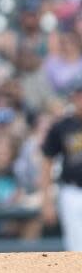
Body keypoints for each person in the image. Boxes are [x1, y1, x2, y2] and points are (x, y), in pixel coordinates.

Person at [41, 78, 82, 251]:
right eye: (79, 95)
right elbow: (47, 162)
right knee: (76, 248)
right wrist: (47, 201)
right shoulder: (62, 126)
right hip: (72, 192)